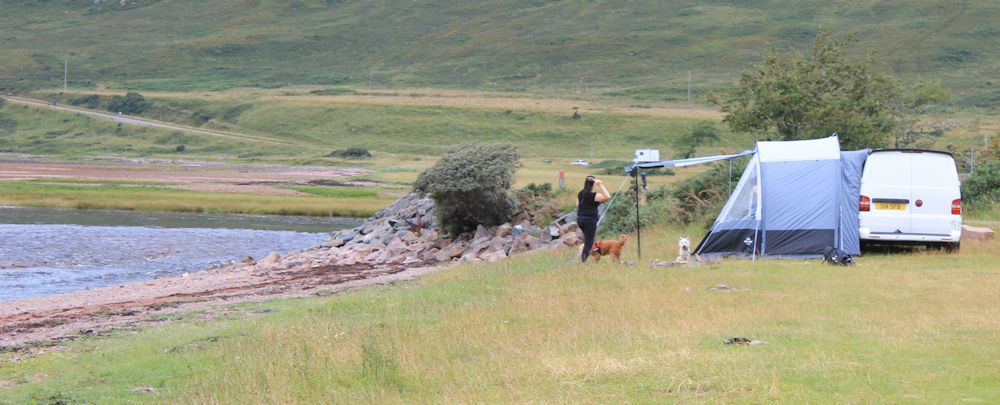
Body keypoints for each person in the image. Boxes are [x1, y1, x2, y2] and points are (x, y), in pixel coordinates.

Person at [576, 175, 610, 263]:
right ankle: (583, 261)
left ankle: (591, 256)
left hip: (580, 220)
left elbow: (577, 205)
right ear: (593, 185)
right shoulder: (593, 196)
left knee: (587, 240)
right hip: (590, 221)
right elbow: (607, 196)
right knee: (589, 243)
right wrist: (601, 185)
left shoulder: (580, 194)